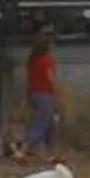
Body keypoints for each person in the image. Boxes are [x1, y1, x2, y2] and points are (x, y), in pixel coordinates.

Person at [25, 30, 62, 162]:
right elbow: (50, 79)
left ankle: (51, 154)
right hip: (45, 94)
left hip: (34, 93)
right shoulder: (47, 60)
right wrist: (57, 93)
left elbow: (29, 79)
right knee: (40, 123)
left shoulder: (33, 60)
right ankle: (25, 149)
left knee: (51, 124)